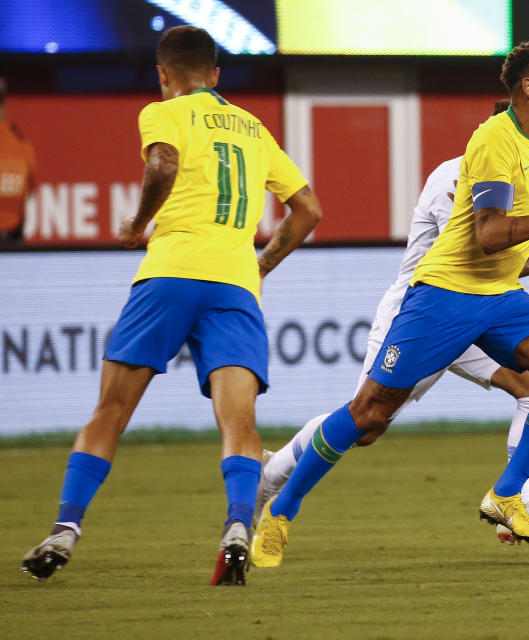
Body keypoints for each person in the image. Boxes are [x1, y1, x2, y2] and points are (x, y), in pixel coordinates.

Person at [250, 38, 529, 567]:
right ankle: (282, 505)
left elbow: (502, 247)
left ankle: (510, 496)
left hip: (497, 297)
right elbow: (487, 235)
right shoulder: (487, 145)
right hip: (440, 299)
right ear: (528, 92)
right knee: (367, 417)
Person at [20, 26, 322, 586]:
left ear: (163, 75)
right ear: (217, 74)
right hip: (233, 288)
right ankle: (236, 525)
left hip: (168, 277)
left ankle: (65, 527)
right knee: (239, 423)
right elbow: (307, 208)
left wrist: (137, 225)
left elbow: (161, 165)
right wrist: (259, 266)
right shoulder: (254, 128)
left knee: (111, 411)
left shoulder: (166, 112)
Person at [0, 76, 37, 242]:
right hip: (13, 243)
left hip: (12, 244)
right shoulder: (20, 142)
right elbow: (29, 190)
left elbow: (28, 190)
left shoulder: (20, 144)